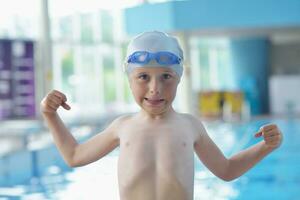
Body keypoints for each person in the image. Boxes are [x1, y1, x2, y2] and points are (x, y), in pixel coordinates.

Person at [40, 31, 283, 200]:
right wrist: (50, 115)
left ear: (179, 78)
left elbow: (226, 170)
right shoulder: (122, 127)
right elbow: (74, 156)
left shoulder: (191, 126)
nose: (155, 88)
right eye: (143, 77)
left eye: (166, 76)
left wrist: (266, 146)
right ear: (129, 79)